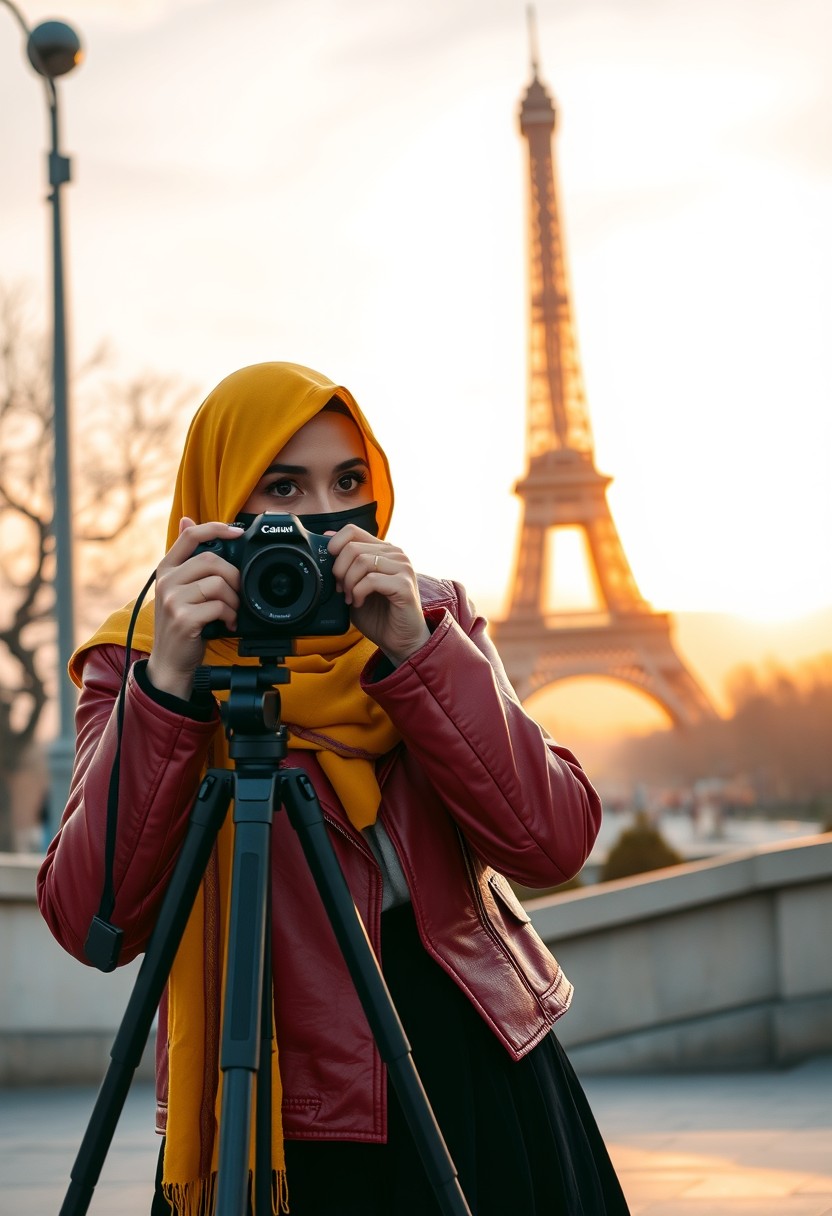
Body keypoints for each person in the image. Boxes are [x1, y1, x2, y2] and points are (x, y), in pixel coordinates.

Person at [37, 361, 630, 1216]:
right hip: (262, 1103)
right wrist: (168, 689)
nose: (321, 515)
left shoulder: (429, 619)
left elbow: (553, 843)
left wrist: (418, 656)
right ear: (216, 510)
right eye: (283, 488)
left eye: (348, 480)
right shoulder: (141, 660)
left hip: (466, 1067)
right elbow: (93, 920)